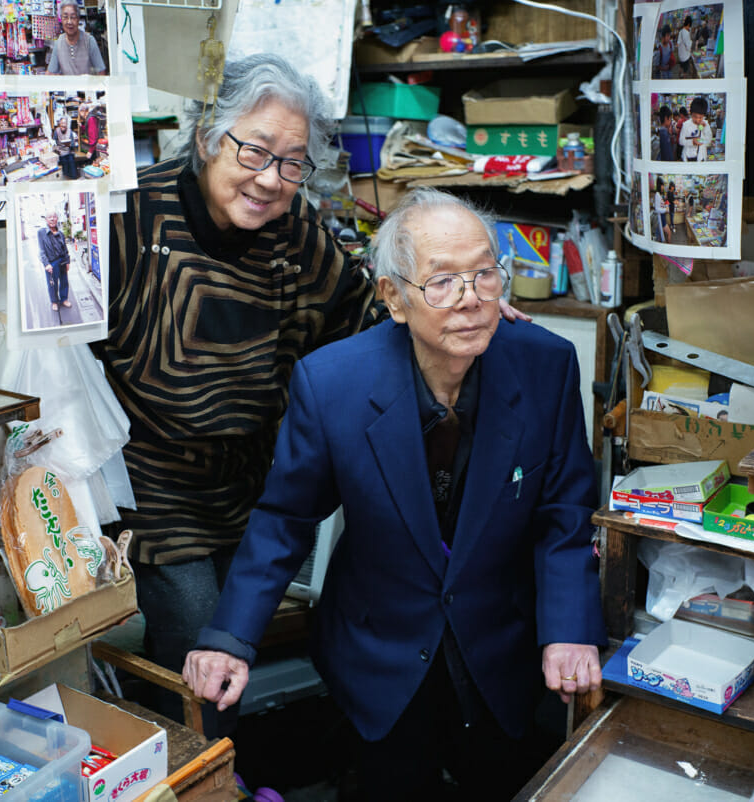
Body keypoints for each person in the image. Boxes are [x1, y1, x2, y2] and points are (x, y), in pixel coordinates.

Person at [183, 188, 606, 800]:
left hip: (501, 648)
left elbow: (565, 513)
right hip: (378, 652)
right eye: (442, 282)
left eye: (485, 274)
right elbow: (285, 519)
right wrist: (230, 638)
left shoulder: (546, 364)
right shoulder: (333, 384)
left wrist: (569, 627)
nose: (471, 300)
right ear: (393, 298)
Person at [93, 54, 385, 736]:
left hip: (252, 485)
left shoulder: (299, 235)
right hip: (151, 485)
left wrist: (452, 302)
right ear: (205, 138)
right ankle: (201, 777)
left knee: (235, 647)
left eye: (292, 162)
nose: (270, 179)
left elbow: (363, 314)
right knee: (200, 645)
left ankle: (220, 772)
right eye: (254, 150)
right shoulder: (130, 212)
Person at [46, 0, 105, 76]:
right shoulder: (58, 43)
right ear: (61, 19)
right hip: (68, 87)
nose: (69, 22)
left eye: (73, 17)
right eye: (65, 17)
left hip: (87, 86)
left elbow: (101, 72)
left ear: (78, 19)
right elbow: (51, 73)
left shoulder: (89, 41)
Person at [38, 211, 72, 312]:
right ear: (46, 220)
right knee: (52, 284)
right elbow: (41, 251)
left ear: (57, 219)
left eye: (54, 217)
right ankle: (54, 302)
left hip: (62, 261)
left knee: (64, 281)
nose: (52, 219)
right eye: (50, 217)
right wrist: (46, 264)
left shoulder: (60, 233)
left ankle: (64, 299)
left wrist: (67, 262)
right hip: (51, 263)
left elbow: (65, 249)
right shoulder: (41, 232)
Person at [679, 96, 713, 162]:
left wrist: (705, 129)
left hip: (701, 158)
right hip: (687, 158)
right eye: (694, 116)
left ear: (704, 115)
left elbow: (708, 140)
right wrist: (692, 142)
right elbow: (681, 141)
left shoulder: (705, 124)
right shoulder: (686, 125)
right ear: (691, 113)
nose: (697, 120)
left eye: (700, 117)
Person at [52, 115, 78, 179]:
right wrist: (56, 149)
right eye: (62, 123)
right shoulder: (56, 131)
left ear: (66, 124)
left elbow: (73, 143)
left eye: (64, 123)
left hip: (68, 151)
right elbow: (53, 142)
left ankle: (73, 178)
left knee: (71, 161)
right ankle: (65, 177)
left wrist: (70, 145)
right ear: (59, 124)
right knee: (64, 162)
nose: (63, 125)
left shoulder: (70, 131)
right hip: (60, 152)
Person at [654, 177, 671, 242]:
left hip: (662, 217)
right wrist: (665, 210)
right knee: (669, 233)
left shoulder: (658, 195)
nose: (663, 187)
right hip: (661, 218)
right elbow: (657, 208)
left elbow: (660, 206)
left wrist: (666, 205)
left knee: (666, 234)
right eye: (662, 185)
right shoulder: (657, 195)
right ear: (660, 185)